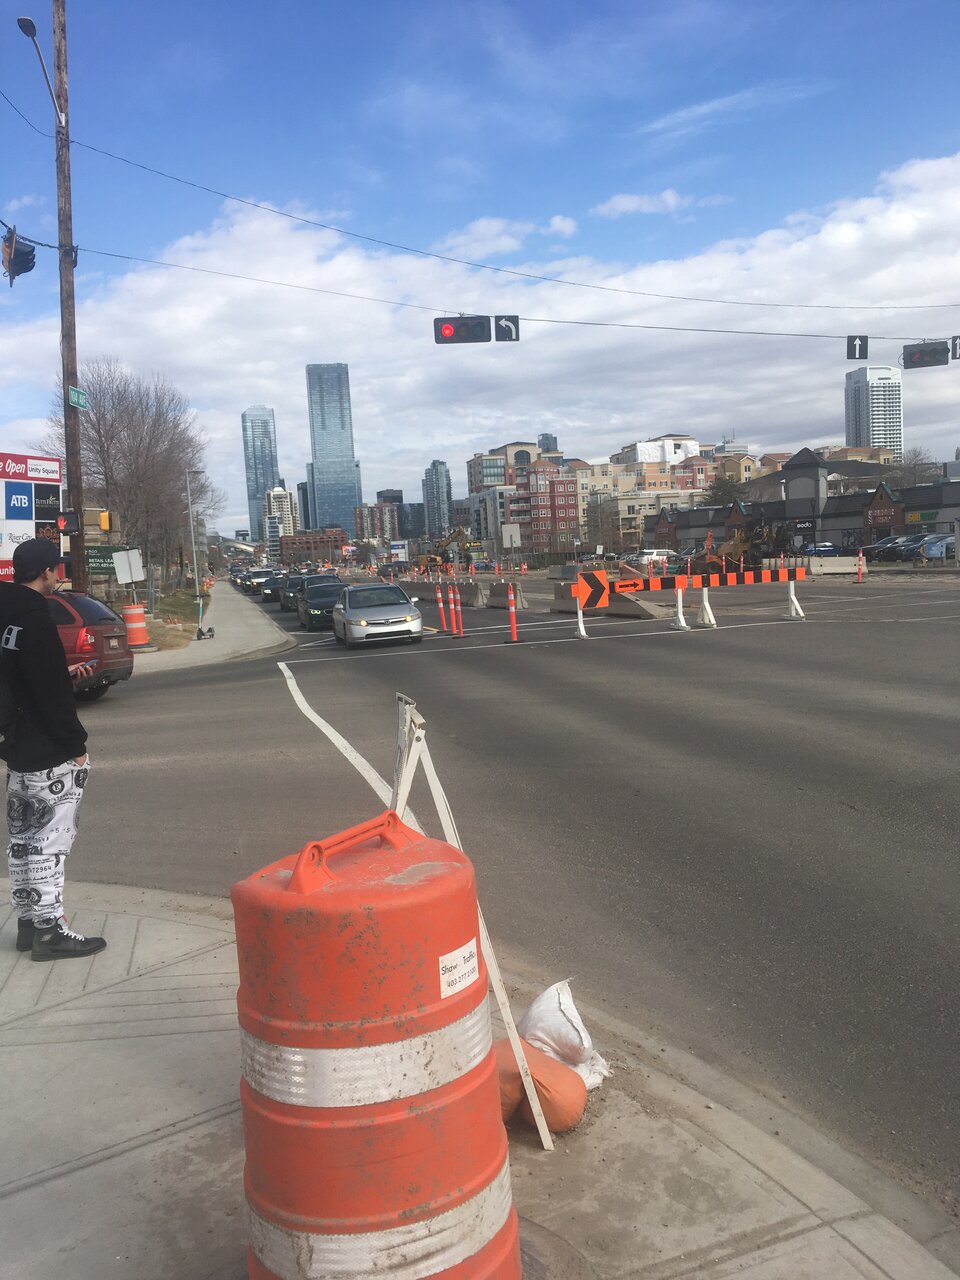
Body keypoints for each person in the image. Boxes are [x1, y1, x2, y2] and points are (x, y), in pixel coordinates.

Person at [1, 538, 106, 961]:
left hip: (16, 746)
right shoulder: (38, 620)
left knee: (23, 838)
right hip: (49, 751)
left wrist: (61, 672)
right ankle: (50, 932)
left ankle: (28, 922)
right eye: (56, 568)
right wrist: (75, 746)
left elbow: (21, 676)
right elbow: (50, 697)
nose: (58, 574)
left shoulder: (6, 616)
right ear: (47, 571)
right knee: (50, 842)